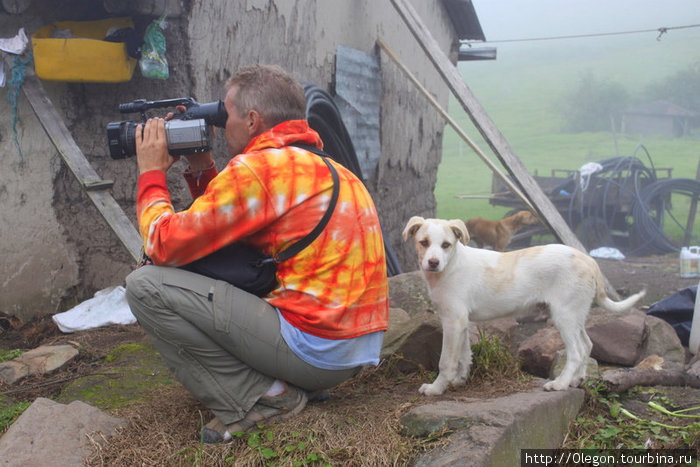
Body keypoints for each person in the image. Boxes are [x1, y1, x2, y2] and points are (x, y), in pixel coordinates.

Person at [124, 64, 389, 444]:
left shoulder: (260, 168)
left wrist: (150, 173)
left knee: (145, 284)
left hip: (314, 350)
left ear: (251, 120)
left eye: (225, 114)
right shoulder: (328, 169)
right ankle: (293, 383)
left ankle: (262, 399)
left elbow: (162, 243)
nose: (222, 124)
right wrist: (202, 170)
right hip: (349, 353)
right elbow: (229, 239)